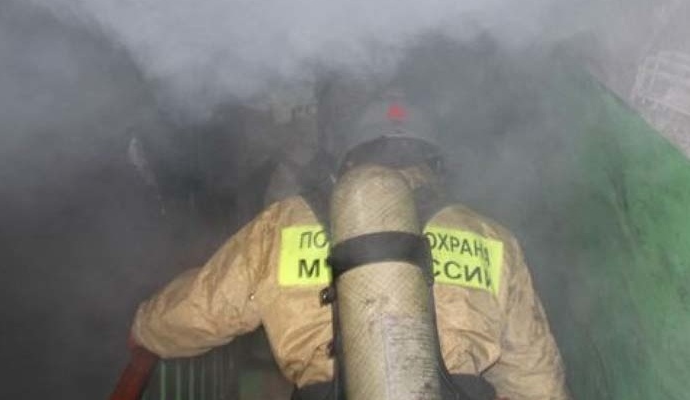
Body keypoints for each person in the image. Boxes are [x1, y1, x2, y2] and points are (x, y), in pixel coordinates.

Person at [130, 82, 571, 400]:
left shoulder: (285, 223)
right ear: (435, 163)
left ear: (349, 161)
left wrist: (144, 328)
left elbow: (200, 310)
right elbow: (535, 377)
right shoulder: (488, 235)